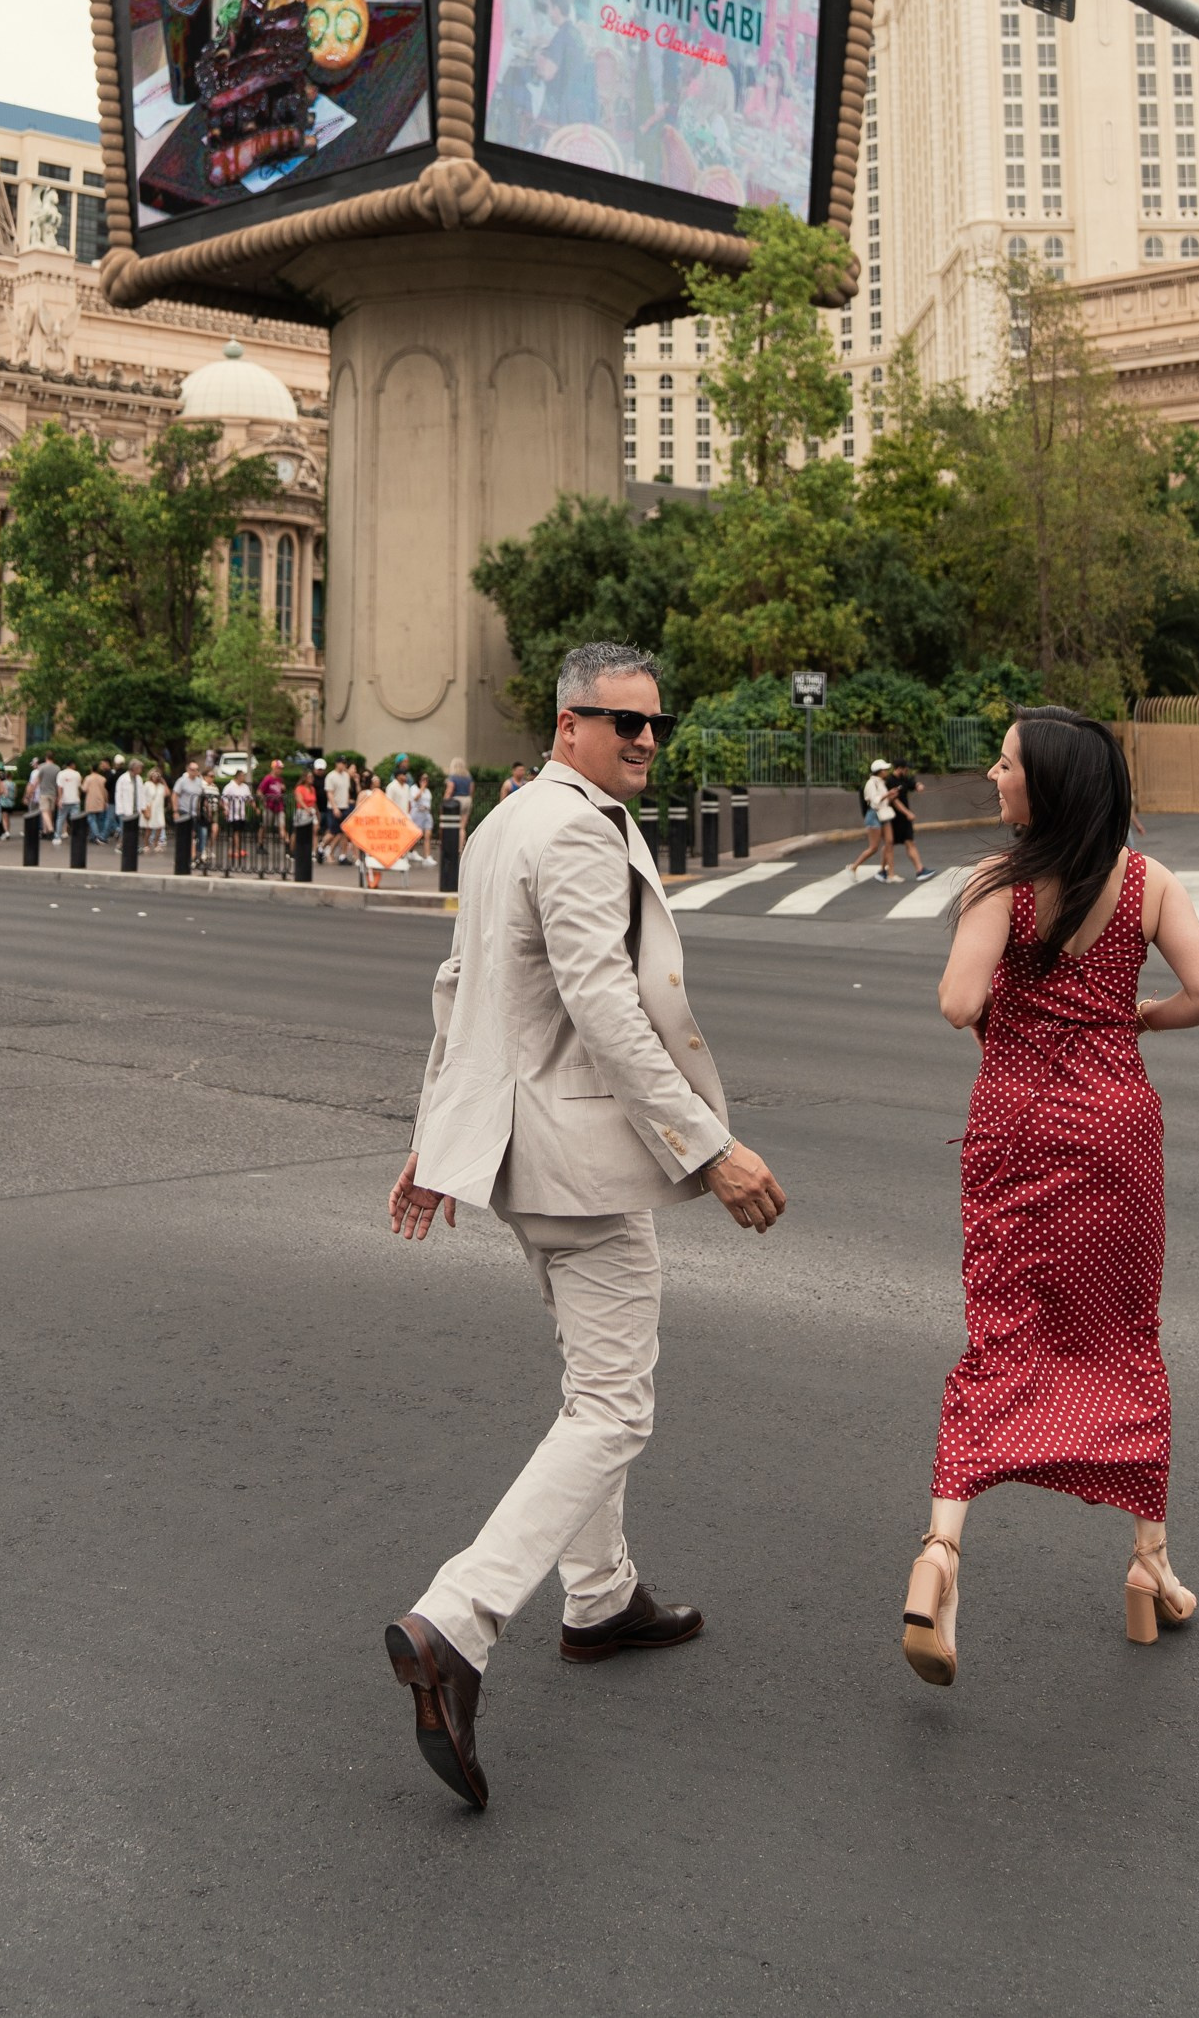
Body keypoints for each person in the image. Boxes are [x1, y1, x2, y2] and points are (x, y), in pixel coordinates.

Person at [385, 642, 787, 1811]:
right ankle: (457, 1620)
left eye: (657, 725)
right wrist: (707, 1149)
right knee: (615, 1408)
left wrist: (435, 1138)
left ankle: (601, 1599)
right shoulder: (570, 829)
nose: (646, 743)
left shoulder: (512, 816)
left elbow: (460, 988)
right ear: (569, 723)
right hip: (578, 1166)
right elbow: (598, 1001)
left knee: (589, 1384)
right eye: (624, 724)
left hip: (522, 1155)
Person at [902, 709, 1199, 1691]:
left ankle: (941, 1552)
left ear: (1042, 787)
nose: (993, 775)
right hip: (1117, 1130)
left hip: (1015, 1125)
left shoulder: (1000, 884)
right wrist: (1131, 1014)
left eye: (1004, 765)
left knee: (1001, 1329)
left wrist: (1015, 1014)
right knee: (1125, 1332)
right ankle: (1147, 1563)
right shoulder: (1145, 883)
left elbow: (960, 1003)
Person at [889, 763, 928, 882]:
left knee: (904, 842)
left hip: (902, 818)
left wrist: (918, 785)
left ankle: (919, 869)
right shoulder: (890, 781)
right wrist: (907, 813)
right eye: (906, 769)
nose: (908, 771)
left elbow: (912, 784)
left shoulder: (903, 779)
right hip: (896, 818)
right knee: (888, 844)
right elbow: (894, 801)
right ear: (899, 768)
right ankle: (919, 870)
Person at [857, 759, 894, 882]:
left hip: (883, 814)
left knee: (889, 842)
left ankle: (889, 873)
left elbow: (883, 801)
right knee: (873, 847)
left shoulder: (881, 782)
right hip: (874, 815)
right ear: (879, 771)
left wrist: (891, 795)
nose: (887, 771)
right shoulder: (871, 783)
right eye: (885, 769)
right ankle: (853, 866)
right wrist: (887, 795)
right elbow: (874, 801)